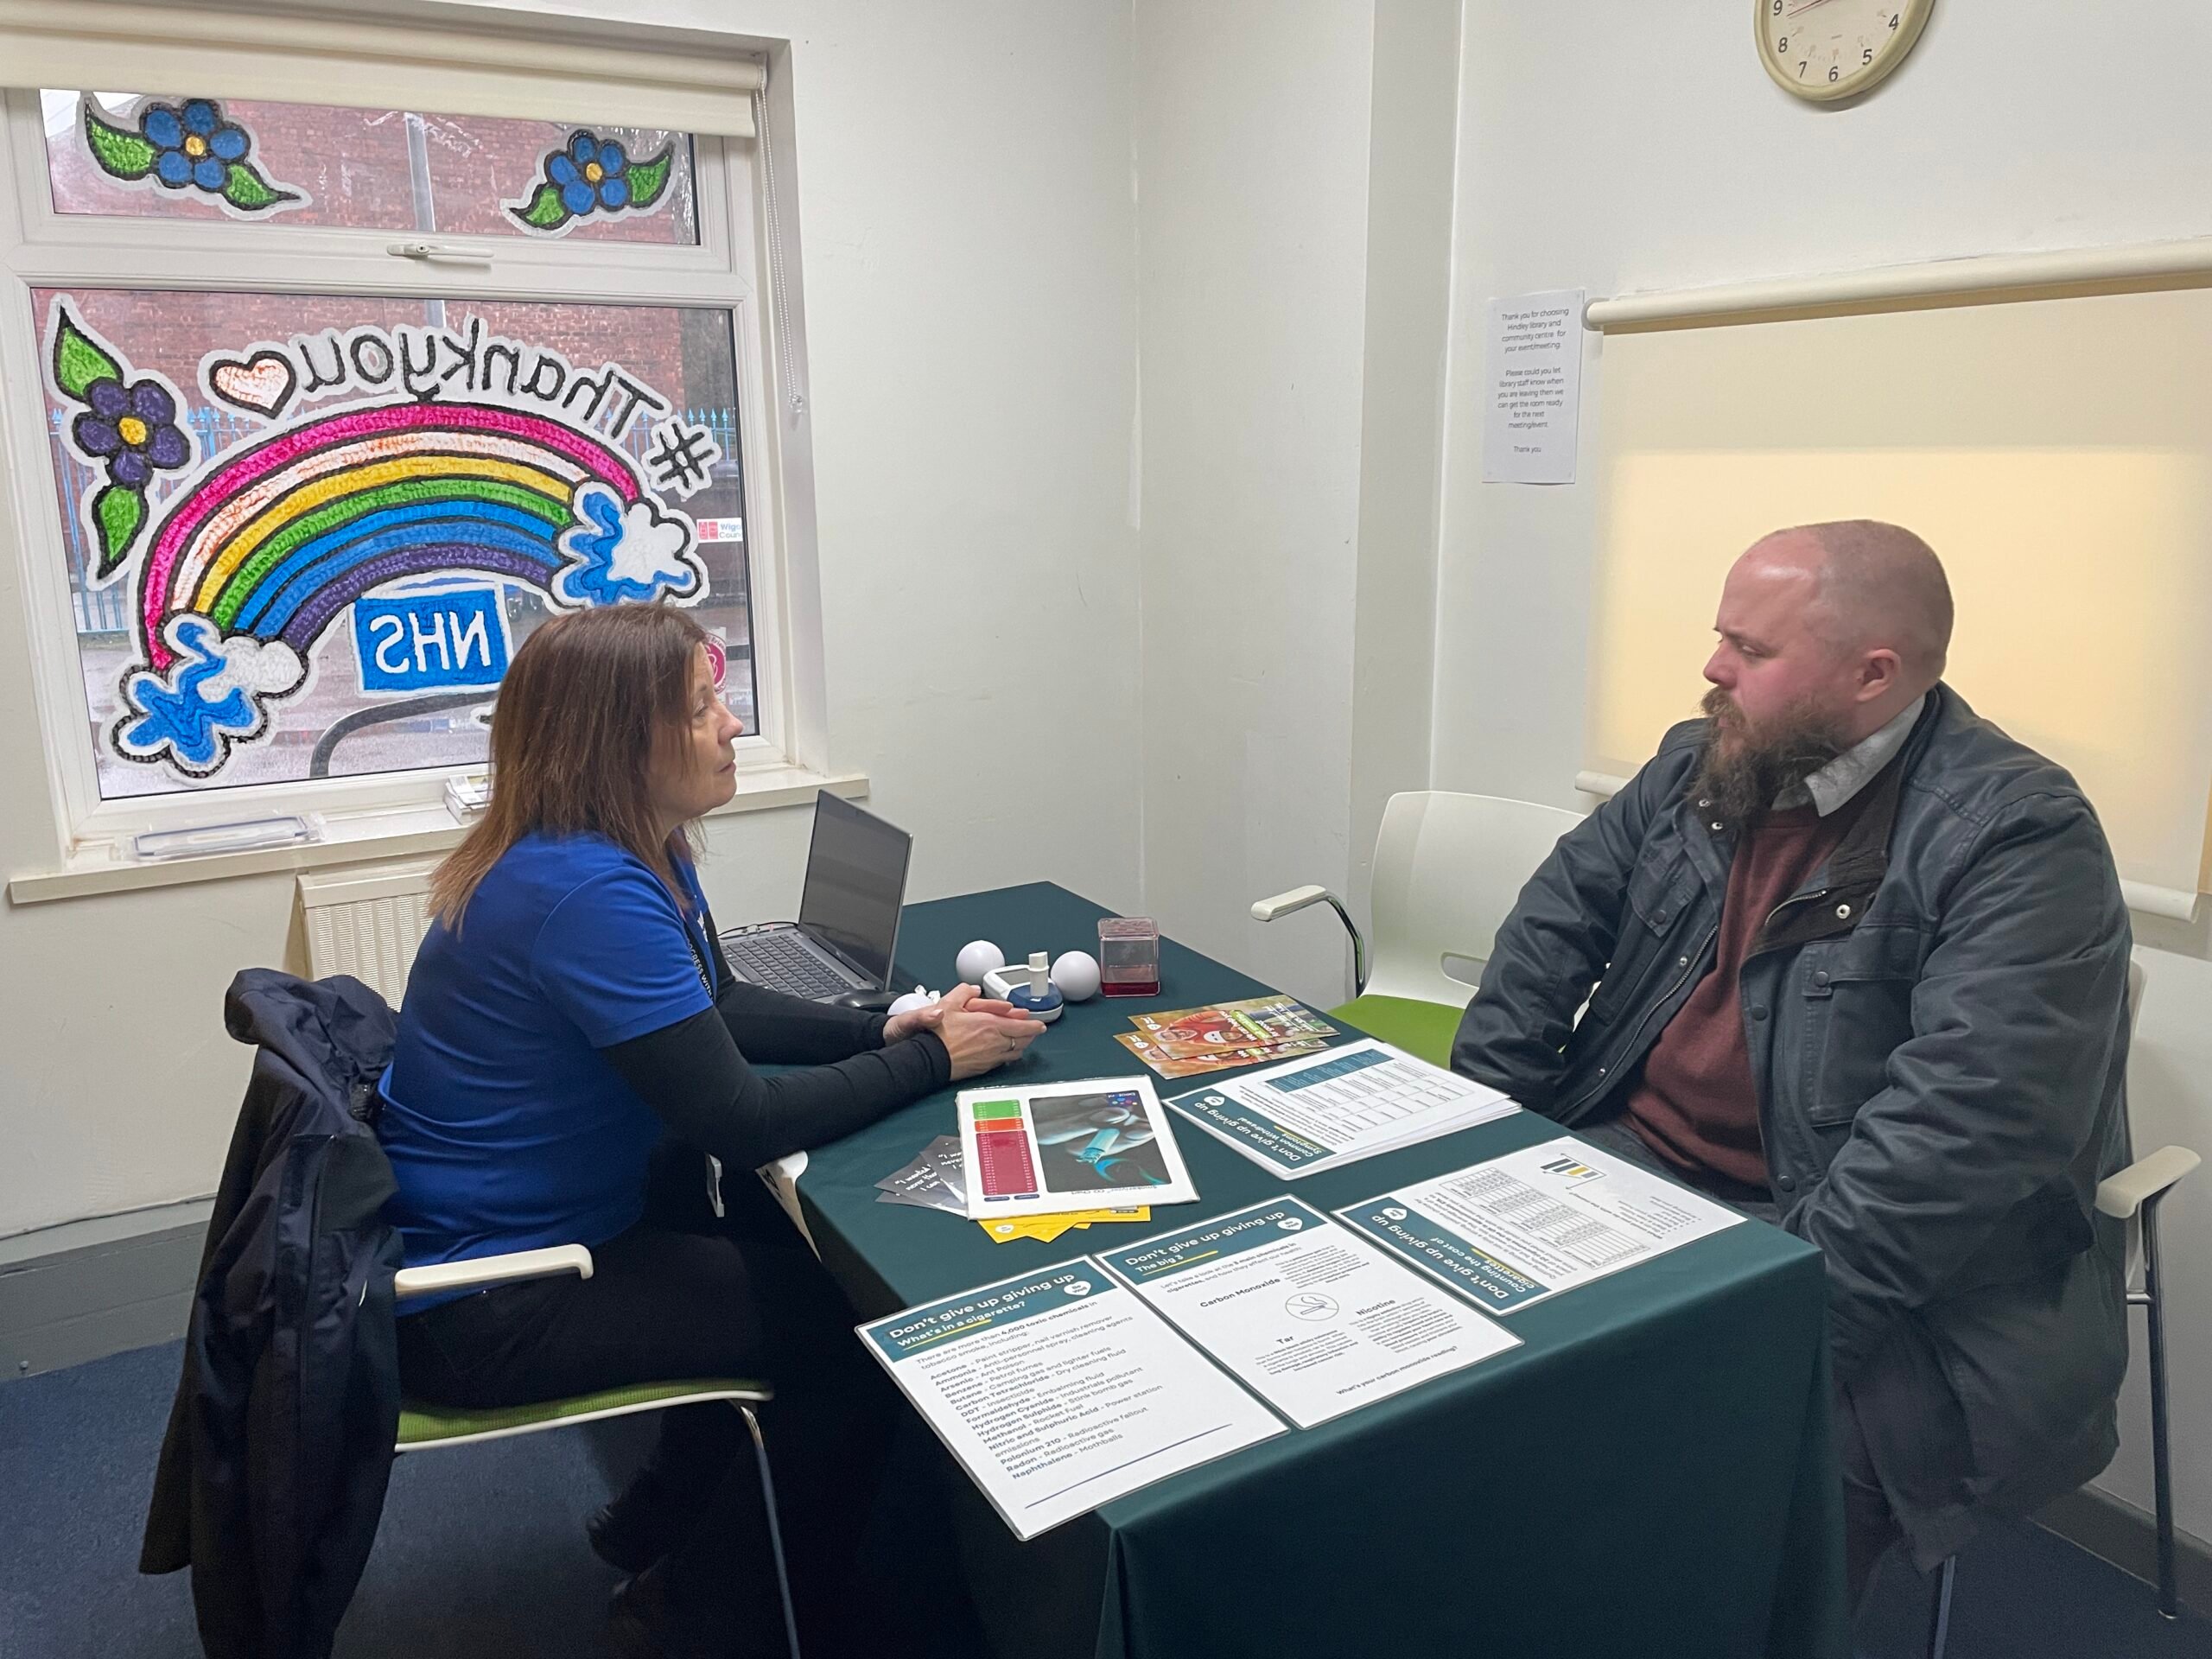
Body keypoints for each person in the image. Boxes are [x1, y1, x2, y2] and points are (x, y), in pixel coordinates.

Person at [1451, 521, 2132, 1608]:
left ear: (1875, 676)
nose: (1714, 669)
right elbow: (1551, 931)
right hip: (1631, 1166)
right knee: (1448, 1361)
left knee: (1725, 1501)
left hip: (1849, 1252)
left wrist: (1785, 1328)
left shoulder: (2016, 837)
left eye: (1750, 651)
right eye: (1721, 638)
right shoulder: (1704, 758)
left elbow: (1958, 1133)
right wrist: (1475, 1139)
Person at [377, 602, 1043, 1659]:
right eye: (703, 709)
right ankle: (697, 1602)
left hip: (534, 1232)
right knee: (854, 1347)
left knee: (777, 1263)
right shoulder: (583, 889)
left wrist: (883, 1023)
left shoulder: (622, 847)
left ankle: (656, 1517)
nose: (731, 725)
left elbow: (717, 1004)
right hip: (488, 1300)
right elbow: (739, 1119)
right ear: (620, 743)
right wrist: (930, 1059)